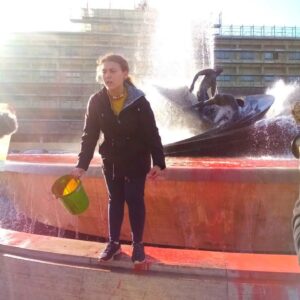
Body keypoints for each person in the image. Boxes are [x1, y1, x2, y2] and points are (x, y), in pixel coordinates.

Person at [71, 54, 166, 264]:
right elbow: (90, 135)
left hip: (136, 160)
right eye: (104, 71)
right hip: (111, 160)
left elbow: (151, 132)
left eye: (112, 71)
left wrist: (158, 162)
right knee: (115, 201)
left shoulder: (139, 101)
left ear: (124, 73)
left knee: (134, 200)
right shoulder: (96, 101)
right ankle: (114, 243)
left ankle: (138, 245)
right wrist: (81, 165)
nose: (107, 75)